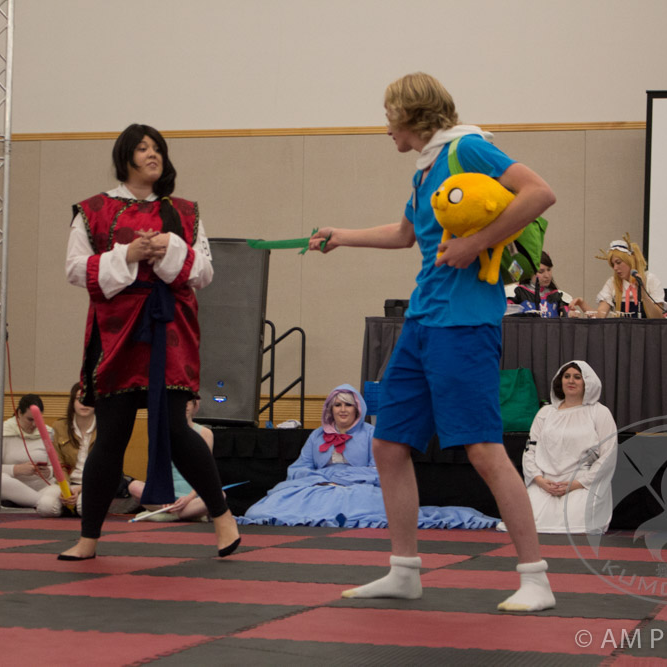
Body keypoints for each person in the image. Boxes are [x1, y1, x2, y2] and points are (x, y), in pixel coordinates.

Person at [308, 72, 556, 611]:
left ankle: (536, 578)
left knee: (484, 450)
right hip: (422, 321)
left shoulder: (468, 148)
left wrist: (476, 242)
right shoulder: (425, 169)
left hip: (465, 325)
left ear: (412, 116)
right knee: (387, 443)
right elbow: (406, 234)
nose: (387, 130)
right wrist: (340, 236)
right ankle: (404, 571)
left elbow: (540, 193)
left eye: (390, 118)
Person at [59, 123, 239, 561]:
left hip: (169, 329)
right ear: (125, 157)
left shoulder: (184, 212)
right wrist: (129, 255)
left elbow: (205, 273)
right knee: (111, 437)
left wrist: (169, 249)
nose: (152, 154)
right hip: (116, 332)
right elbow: (75, 269)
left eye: (157, 147)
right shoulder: (93, 209)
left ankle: (223, 519)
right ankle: (88, 539)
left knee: (177, 429)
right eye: (142, 148)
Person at [238, 384, 498, 529]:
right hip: (316, 487)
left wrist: (341, 478)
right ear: (330, 409)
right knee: (263, 508)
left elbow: (380, 472)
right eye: (337, 405)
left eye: (347, 405)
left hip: (358, 490)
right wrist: (321, 478)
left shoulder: (372, 435)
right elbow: (297, 468)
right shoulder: (317, 435)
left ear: (357, 409)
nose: (342, 410)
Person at [513, 361, 618, 534]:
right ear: (559, 380)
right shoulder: (545, 413)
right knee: (523, 522)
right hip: (545, 484)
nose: (571, 381)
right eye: (567, 376)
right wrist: (539, 480)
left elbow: (608, 455)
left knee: (577, 524)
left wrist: (577, 484)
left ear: (587, 382)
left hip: (583, 485)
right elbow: (530, 450)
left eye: (577, 377)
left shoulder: (599, 413)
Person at [130, 393, 213, 522]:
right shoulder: (162, 432)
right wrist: (164, 496)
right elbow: (158, 469)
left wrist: (188, 498)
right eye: (181, 402)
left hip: (192, 496)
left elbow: (206, 474)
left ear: (195, 405)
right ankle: (186, 514)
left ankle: (168, 515)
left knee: (220, 496)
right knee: (134, 486)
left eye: (188, 402)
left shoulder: (205, 433)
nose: (185, 406)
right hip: (166, 495)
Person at [0, 394, 59, 516]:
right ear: (19, 413)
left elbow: (57, 466)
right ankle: (43, 503)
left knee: (58, 487)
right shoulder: (3, 432)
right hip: (12, 486)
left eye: (38, 420)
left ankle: (35, 503)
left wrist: (49, 471)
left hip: (41, 485)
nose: (34, 424)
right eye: (30, 419)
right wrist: (16, 469)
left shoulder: (48, 433)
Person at [570, 235, 666, 319]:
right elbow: (600, 316)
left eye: (618, 262)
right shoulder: (612, 283)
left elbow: (657, 318)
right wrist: (582, 304)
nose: (615, 268)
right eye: (613, 264)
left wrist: (644, 294)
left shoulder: (650, 280)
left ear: (630, 261)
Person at [43, 382, 96, 517]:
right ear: (72, 402)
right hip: (66, 482)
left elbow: (106, 468)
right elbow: (59, 464)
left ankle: (75, 504)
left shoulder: (106, 427)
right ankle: (67, 504)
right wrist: (65, 489)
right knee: (45, 507)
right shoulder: (59, 426)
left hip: (94, 484)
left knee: (85, 509)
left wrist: (80, 489)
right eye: (79, 399)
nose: (84, 403)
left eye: (89, 398)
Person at [507, 250, 572, 317]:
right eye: (541, 271)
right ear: (529, 272)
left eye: (549, 270)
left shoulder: (558, 296)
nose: (547, 276)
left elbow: (568, 316)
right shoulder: (516, 293)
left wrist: (571, 314)